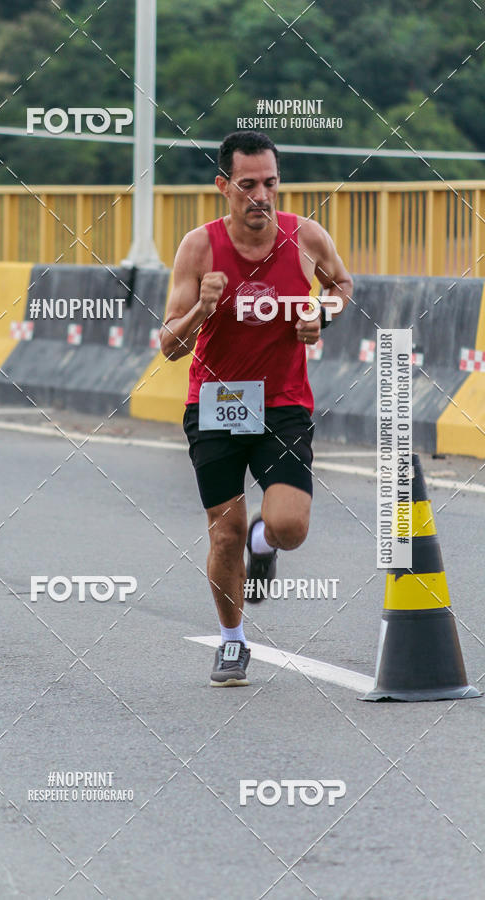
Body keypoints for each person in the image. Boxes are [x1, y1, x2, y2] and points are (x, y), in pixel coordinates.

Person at [160, 130, 353, 687]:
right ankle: (232, 641)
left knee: (289, 526)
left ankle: (264, 545)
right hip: (216, 402)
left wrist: (323, 311)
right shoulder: (199, 248)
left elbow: (341, 284)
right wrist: (202, 307)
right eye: (247, 186)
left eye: (270, 183)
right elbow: (170, 346)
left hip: (283, 404)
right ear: (223, 186)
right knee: (224, 533)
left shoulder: (306, 237)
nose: (260, 196)